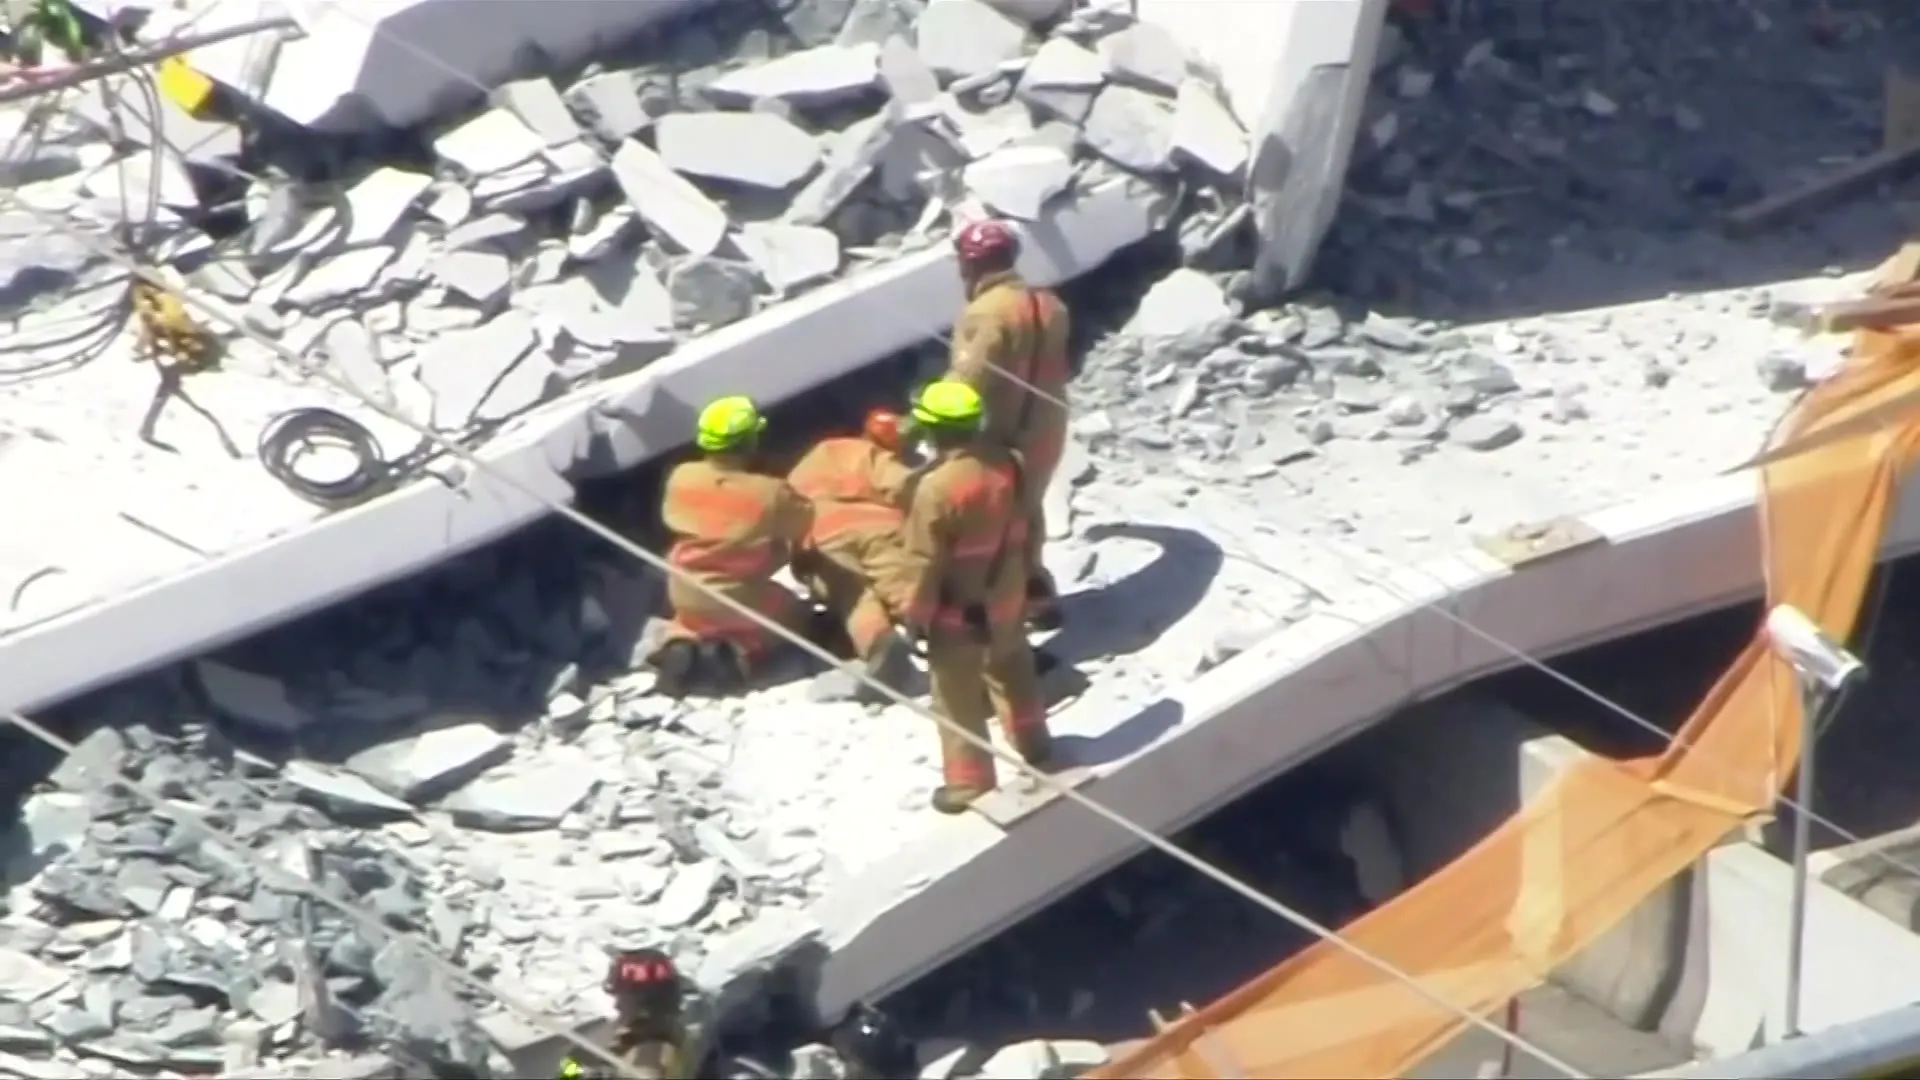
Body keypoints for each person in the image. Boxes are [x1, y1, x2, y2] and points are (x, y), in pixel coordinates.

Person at [896, 380, 1053, 814]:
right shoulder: (1011, 464)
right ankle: (1035, 744)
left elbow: (924, 563)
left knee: (955, 696)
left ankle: (970, 784)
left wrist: (915, 617)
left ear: (933, 431)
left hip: (959, 616)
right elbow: (1032, 525)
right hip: (1009, 597)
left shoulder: (936, 489)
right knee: (1013, 669)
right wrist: (1033, 574)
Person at [945, 218, 1072, 631]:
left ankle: (1013, 605)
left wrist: (919, 424)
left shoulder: (984, 313)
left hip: (1006, 433)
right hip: (1049, 426)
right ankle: (1038, 592)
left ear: (970, 265)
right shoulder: (1050, 304)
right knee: (1028, 507)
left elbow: (966, 384)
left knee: (998, 522)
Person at [651, 395, 812, 697]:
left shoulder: (680, 476)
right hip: (737, 597)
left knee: (692, 620)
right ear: (749, 441)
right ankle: (737, 652)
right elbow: (803, 523)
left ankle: (679, 644)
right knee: (792, 614)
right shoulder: (769, 491)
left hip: (683, 590)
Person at [785, 407, 921, 701]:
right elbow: (908, 488)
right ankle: (939, 633)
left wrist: (799, 555)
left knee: (853, 596)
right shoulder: (877, 457)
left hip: (823, 534)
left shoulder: (820, 453)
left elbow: (786, 505)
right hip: (879, 527)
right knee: (901, 586)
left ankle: (880, 642)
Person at [555, 949, 706, 1079]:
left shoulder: (654, 1052)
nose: (617, 1005)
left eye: (622, 996)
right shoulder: (667, 1033)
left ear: (643, 1002)